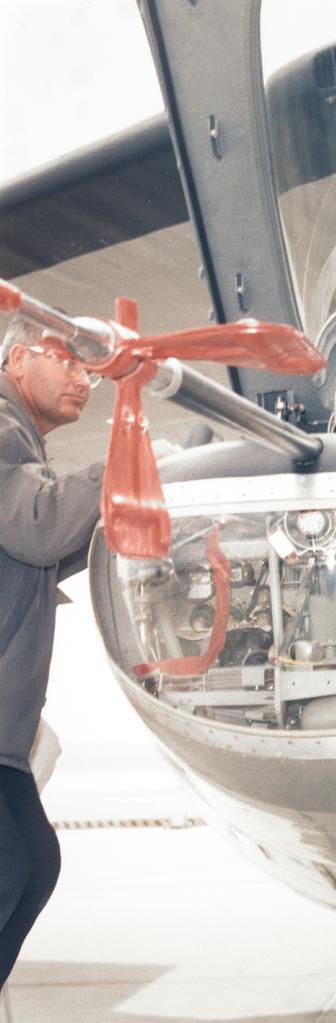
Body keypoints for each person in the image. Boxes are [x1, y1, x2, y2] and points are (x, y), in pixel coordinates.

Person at [0, 317, 104, 986]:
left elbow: (45, 552)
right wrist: (126, 459)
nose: (83, 378)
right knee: (17, 863)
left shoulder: (22, 442)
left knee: (32, 862)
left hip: (5, 731)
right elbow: (38, 527)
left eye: (90, 369)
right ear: (14, 359)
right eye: (65, 359)